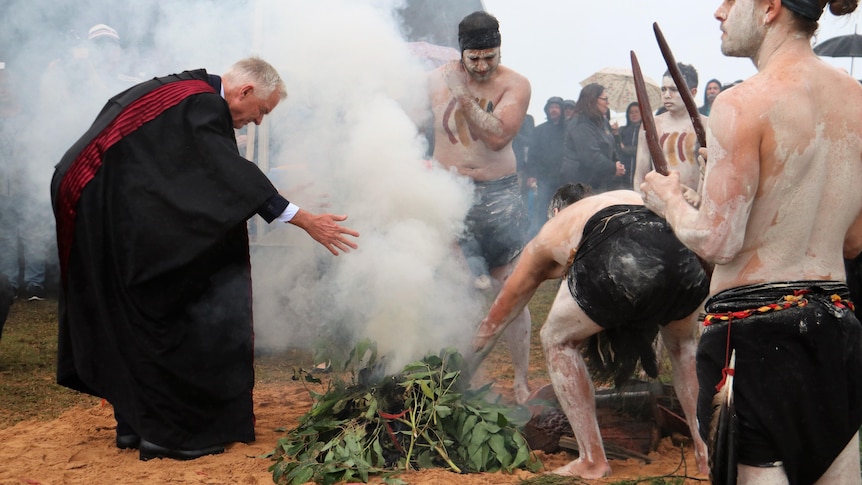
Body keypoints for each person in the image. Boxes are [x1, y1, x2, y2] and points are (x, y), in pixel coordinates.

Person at [51, 57, 360, 461]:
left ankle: (135, 422)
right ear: (245, 92)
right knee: (168, 303)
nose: (259, 122)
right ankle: (170, 434)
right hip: (96, 196)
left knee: (129, 309)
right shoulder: (201, 103)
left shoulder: (187, 92)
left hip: (92, 193)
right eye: (263, 111)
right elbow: (227, 172)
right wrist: (302, 219)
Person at [640, 0, 862, 483]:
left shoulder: (744, 102)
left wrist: (669, 200)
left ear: (769, 8)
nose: (718, 12)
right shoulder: (857, 100)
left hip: (756, 344)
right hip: (836, 333)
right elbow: (853, 241)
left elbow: (715, 240)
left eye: (728, 0)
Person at [471, 188, 709, 479]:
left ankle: (592, 460)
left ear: (555, 213)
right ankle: (706, 454)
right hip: (683, 253)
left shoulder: (549, 233)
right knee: (684, 345)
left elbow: (498, 316)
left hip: (620, 246)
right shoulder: (621, 196)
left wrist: (465, 367)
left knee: (556, 340)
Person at [428, 11, 533, 403]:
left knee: (512, 291)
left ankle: (521, 381)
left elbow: (497, 137)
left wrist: (461, 92)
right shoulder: (431, 80)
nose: (484, 65)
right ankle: (463, 378)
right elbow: (403, 121)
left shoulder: (516, 84)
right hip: (450, 196)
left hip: (499, 198)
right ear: (462, 53)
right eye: (475, 58)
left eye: (491, 56)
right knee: (458, 290)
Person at [633, 63, 708, 195]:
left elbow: (710, 171)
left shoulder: (705, 125)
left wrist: (699, 202)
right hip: (658, 203)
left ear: (693, 92)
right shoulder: (651, 125)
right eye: (663, 89)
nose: (667, 95)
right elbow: (640, 173)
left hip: (693, 203)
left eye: (673, 89)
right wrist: (639, 204)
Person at [559, 83, 626, 193]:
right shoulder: (580, 124)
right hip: (579, 185)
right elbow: (590, 157)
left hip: (599, 182)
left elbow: (610, 145)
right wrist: (612, 168)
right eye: (605, 99)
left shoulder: (602, 121)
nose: (608, 103)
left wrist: (617, 162)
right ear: (592, 100)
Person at [526, 96, 566, 235]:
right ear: (547, 110)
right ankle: (543, 239)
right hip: (544, 179)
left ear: (562, 110)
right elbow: (532, 155)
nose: (554, 110)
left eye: (557, 107)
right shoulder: (539, 131)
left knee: (564, 211)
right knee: (543, 211)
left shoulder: (568, 129)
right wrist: (531, 175)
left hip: (564, 178)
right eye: (551, 107)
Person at [617, 101, 641, 189]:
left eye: (636, 112)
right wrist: (615, 134)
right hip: (624, 172)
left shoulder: (645, 131)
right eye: (631, 112)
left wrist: (625, 149)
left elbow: (642, 150)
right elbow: (617, 147)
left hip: (640, 171)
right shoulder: (622, 130)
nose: (633, 114)